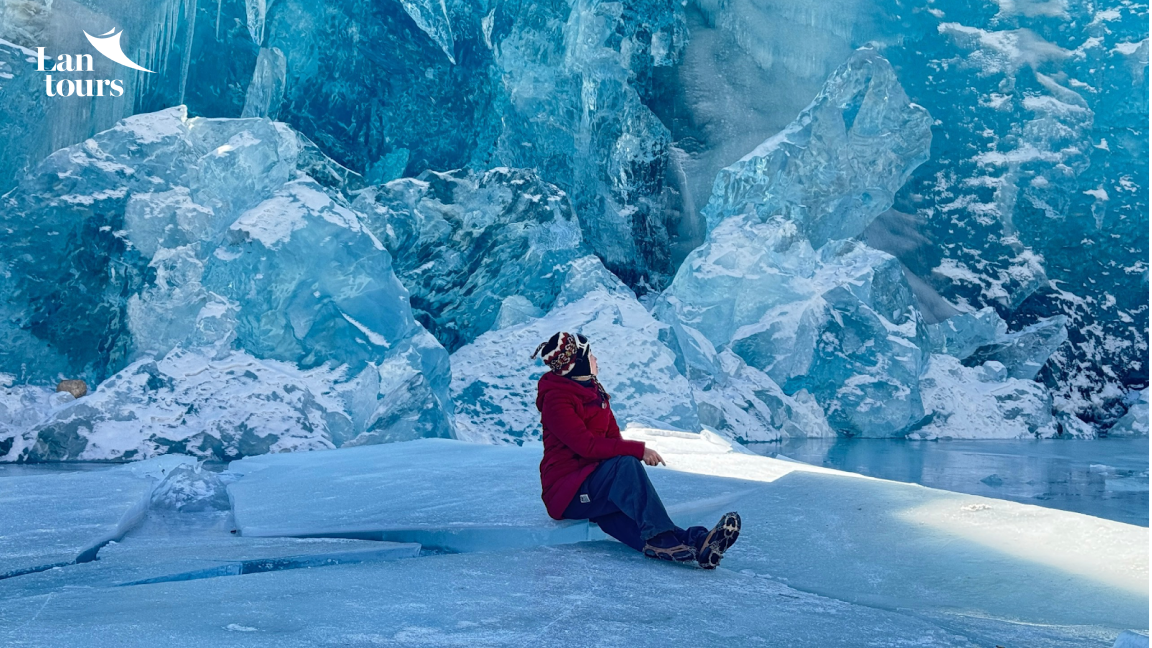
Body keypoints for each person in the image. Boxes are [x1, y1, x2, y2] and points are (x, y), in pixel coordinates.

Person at [531, 331, 741, 568]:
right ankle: (662, 539)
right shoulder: (556, 400)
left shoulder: (595, 392)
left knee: (636, 517)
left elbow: (612, 440)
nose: (596, 359)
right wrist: (638, 451)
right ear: (578, 362)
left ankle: (698, 544)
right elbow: (586, 446)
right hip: (567, 492)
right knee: (627, 466)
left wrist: (622, 462)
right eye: (590, 355)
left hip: (596, 484)